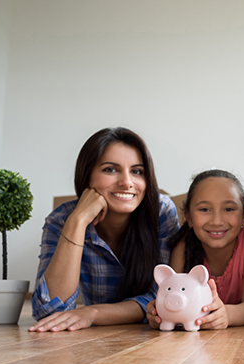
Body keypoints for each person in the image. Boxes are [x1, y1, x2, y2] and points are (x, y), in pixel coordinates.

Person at [29, 127, 178, 332]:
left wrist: (92, 313)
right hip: (95, 339)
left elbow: (163, 297)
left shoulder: (161, 211)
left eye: (137, 171)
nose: (126, 182)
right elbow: (49, 311)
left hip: (150, 336)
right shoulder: (62, 219)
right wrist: (78, 221)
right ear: (87, 175)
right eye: (110, 169)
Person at [147, 169, 244, 330]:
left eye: (229, 209)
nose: (217, 221)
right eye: (205, 209)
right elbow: (172, 295)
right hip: (205, 334)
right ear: (189, 216)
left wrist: (225, 315)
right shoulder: (184, 246)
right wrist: (161, 311)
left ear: (243, 214)